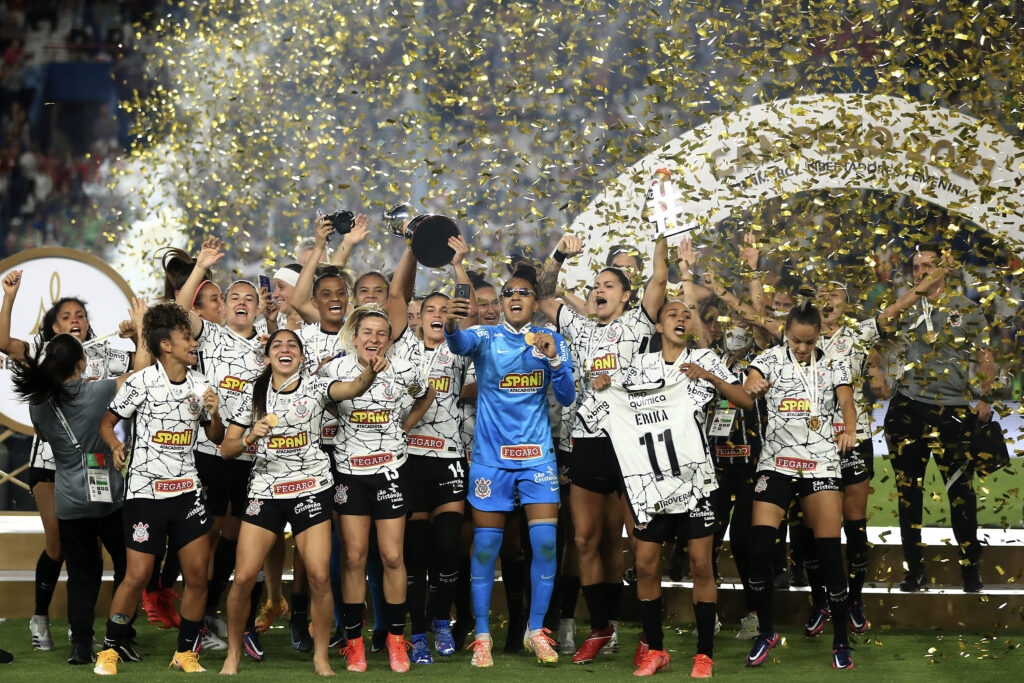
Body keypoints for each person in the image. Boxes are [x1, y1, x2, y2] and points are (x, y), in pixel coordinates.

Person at [584, 299, 754, 678]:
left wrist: (711, 378)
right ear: (658, 327)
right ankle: (656, 650)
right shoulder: (638, 364)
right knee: (645, 565)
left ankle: (704, 654)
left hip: (696, 482)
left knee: (700, 565)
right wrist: (602, 385)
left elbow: (743, 400)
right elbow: (603, 406)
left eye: (685, 314)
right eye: (671, 314)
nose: (680, 318)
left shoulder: (705, 358)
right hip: (649, 486)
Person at [218, 328, 386, 675]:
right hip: (265, 489)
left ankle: (321, 657)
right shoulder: (252, 392)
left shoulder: (315, 385)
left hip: (311, 488)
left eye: (292, 345)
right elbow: (226, 449)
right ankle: (232, 655)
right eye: (277, 345)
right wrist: (251, 436)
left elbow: (352, 388)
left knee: (320, 578)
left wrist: (370, 371)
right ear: (267, 357)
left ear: (301, 356)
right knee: (245, 578)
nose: (284, 349)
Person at [535, 233, 668, 664]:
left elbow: (660, 282)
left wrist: (662, 236)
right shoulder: (576, 325)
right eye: (595, 285)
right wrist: (558, 254)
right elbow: (543, 292)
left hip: (631, 444)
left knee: (640, 544)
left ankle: (652, 640)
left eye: (608, 286)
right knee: (585, 539)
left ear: (627, 297)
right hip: (586, 443)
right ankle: (600, 629)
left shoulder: (637, 324)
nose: (597, 290)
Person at [445, 265, 576, 667]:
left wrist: (554, 361)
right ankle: (482, 635)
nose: (515, 297)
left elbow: (568, 396)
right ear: (501, 303)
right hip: (490, 461)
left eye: (523, 292)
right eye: (508, 293)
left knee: (547, 544)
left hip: (536, 457)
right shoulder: (485, 337)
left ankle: (536, 631)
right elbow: (456, 343)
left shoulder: (550, 339)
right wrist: (451, 321)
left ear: (535, 302)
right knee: (485, 548)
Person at [0, 270, 134, 652]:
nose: (75, 320)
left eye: (81, 315)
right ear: (52, 326)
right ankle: (40, 617)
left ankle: (97, 631)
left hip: (95, 464)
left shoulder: (106, 352)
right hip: (49, 462)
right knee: (58, 544)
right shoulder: (42, 353)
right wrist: (9, 296)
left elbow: (141, 372)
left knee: (89, 550)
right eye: (66, 316)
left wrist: (136, 335)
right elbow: (1, 342)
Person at [94, 303, 225, 675]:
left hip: (187, 492)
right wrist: (117, 446)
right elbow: (107, 424)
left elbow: (214, 438)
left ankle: (185, 654)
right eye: (186, 337)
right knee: (136, 575)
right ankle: (110, 649)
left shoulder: (202, 386)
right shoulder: (141, 382)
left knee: (198, 575)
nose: (193, 343)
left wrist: (213, 414)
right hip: (145, 494)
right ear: (165, 345)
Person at [742, 301, 858, 670]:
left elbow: (846, 400)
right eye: (795, 340)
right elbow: (749, 382)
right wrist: (752, 383)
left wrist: (850, 428)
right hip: (776, 462)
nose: (802, 348)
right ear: (785, 332)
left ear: (819, 336)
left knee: (827, 553)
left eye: (809, 342)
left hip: (821, 461)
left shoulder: (834, 362)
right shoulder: (771, 357)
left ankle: (841, 640)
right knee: (758, 548)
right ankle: (766, 632)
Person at [172, 237, 271, 652]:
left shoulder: (271, 342)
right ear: (226, 307)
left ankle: (227, 622)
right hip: (208, 451)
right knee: (205, 538)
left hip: (252, 455)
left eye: (250, 298)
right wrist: (202, 267)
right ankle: (195, 624)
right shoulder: (210, 335)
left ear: (258, 307)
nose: (243, 303)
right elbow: (175, 311)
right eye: (236, 297)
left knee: (237, 538)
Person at [326, 305, 434, 673]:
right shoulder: (335, 369)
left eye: (381, 334)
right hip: (349, 473)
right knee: (354, 558)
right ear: (354, 337)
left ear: (390, 340)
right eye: (367, 333)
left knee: (391, 557)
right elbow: (325, 404)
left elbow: (426, 394)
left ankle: (395, 641)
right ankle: (354, 643)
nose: (373, 339)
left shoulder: (405, 369)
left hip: (391, 471)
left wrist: (407, 425)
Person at [883, 244, 994, 592]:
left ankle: (970, 568)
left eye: (930, 266)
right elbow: (881, 331)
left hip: (953, 411)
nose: (922, 272)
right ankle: (914, 569)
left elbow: (985, 355)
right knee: (907, 493)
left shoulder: (967, 309)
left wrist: (985, 397)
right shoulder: (904, 307)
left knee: (961, 492)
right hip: (907, 408)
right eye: (917, 267)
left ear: (945, 269)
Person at [387, 237, 475, 662]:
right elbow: (395, 296)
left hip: (449, 459)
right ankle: (416, 631)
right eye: (430, 310)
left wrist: (459, 267)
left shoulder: (459, 349)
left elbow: (468, 310)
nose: (438, 315)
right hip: (408, 462)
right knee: (415, 555)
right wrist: (414, 249)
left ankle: (442, 621)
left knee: (447, 547)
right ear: (417, 318)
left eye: (445, 310)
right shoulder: (402, 345)